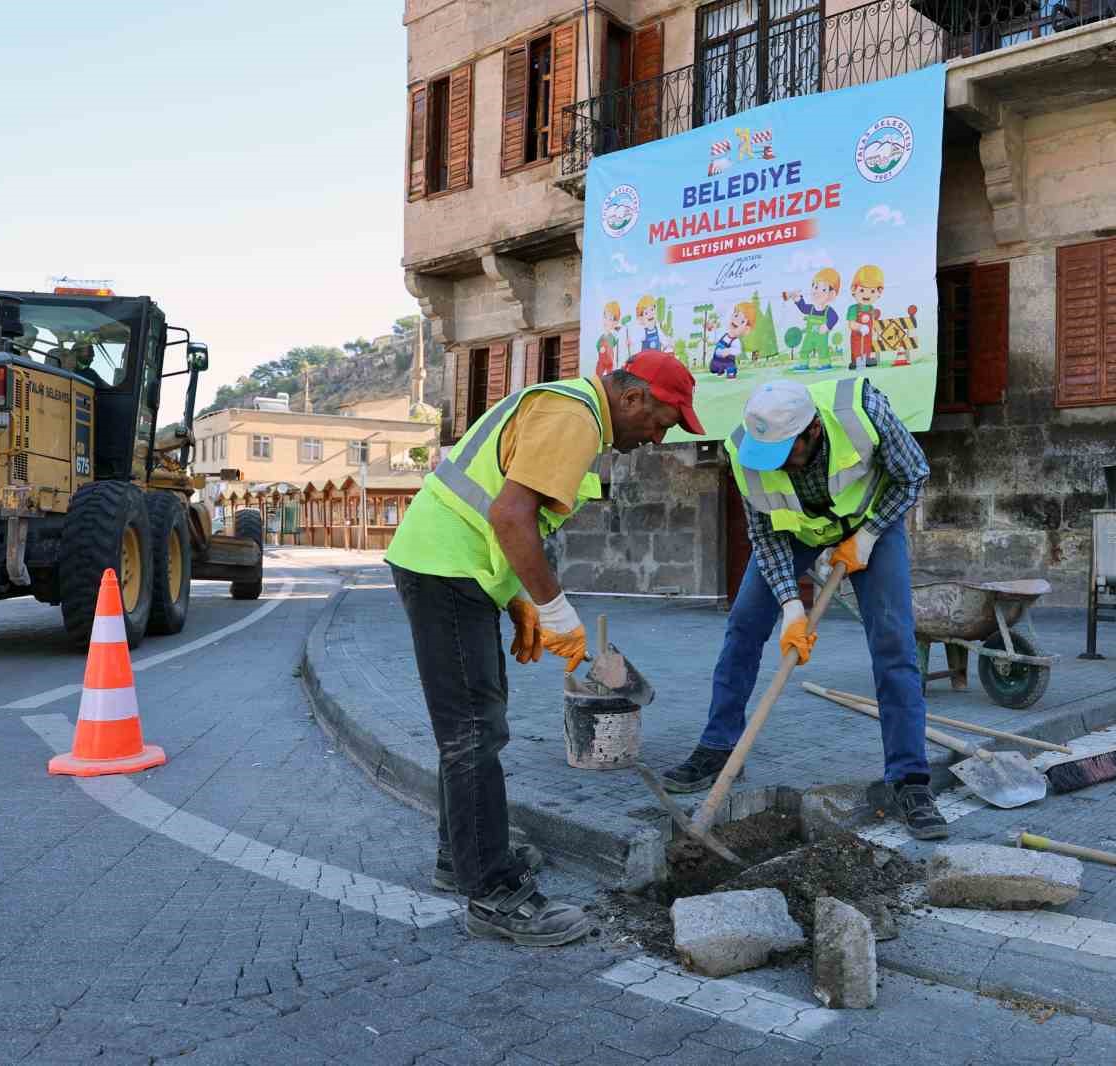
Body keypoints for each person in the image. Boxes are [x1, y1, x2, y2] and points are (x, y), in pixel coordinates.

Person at [384, 351, 703, 946]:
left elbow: (495, 508)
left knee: (477, 724)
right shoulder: (575, 416)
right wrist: (555, 609)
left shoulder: (569, 408)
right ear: (632, 399)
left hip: (460, 571)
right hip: (447, 571)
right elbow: (510, 516)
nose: (659, 436)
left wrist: (516, 600)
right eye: (662, 420)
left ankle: (463, 856)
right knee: (473, 733)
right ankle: (494, 893)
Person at [661, 377, 946, 840]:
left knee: (894, 642)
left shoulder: (862, 412)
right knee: (743, 628)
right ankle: (718, 748)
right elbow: (766, 537)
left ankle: (910, 780)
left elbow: (912, 474)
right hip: (794, 535)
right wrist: (793, 607)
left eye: (785, 454)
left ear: (812, 430)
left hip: (869, 525)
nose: (779, 468)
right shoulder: (744, 451)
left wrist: (868, 536)